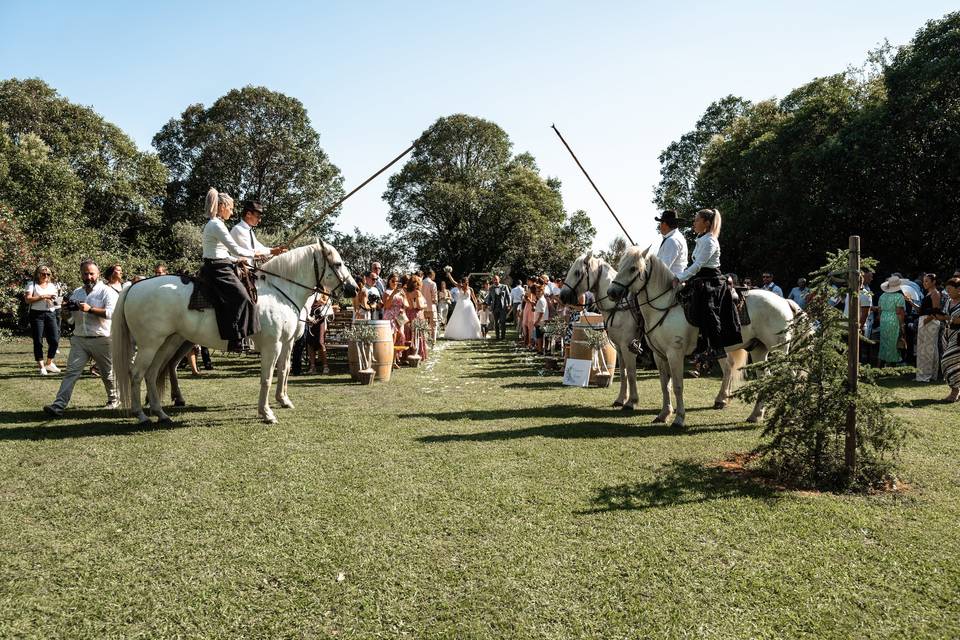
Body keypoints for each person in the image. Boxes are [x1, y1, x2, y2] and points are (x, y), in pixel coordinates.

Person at [200, 188, 281, 352]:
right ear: (222, 206)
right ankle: (235, 339)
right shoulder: (217, 225)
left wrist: (238, 259)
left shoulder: (217, 224)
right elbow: (236, 249)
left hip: (221, 263)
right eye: (230, 207)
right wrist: (259, 254)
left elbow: (223, 253)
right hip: (219, 268)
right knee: (243, 298)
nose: (232, 211)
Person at [42, 260, 118, 417]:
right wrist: (65, 312)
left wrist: (91, 310)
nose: (88, 276)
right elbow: (71, 320)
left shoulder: (106, 291)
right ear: (81, 274)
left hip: (102, 339)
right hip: (80, 339)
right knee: (71, 373)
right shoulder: (77, 292)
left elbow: (113, 314)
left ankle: (114, 400)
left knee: (108, 373)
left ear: (98, 274)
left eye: (92, 273)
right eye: (85, 273)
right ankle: (58, 406)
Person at [674, 208, 740, 360]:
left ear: (707, 223)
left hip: (712, 280)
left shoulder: (710, 240)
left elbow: (698, 265)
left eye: (697, 220)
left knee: (708, 307)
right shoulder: (701, 238)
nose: (694, 223)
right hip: (700, 279)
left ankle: (716, 346)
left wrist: (680, 278)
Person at [25, 265, 61, 375]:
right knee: (38, 341)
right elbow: (27, 300)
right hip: (36, 314)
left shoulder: (52, 286)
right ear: (37, 274)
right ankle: (41, 367)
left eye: (48, 274)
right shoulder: (32, 285)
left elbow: (55, 300)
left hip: (50, 313)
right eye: (43, 273)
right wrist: (43, 296)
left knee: (55, 340)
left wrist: (56, 302)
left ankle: (49, 363)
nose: (45, 276)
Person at [932, 277, 960, 402]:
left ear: (958, 289)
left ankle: (954, 391)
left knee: (946, 361)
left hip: (958, 335)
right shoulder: (949, 301)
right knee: (955, 364)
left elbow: (955, 319)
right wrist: (939, 316)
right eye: (947, 290)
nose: (948, 292)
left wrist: (950, 319)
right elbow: (946, 317)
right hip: (947, 333)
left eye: (950, 289)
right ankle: (956, 391)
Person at [230, 200, 276, 266]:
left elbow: (259, 248)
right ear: (248, 214)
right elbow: (252, 252)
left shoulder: (249, 231)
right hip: (240, 271)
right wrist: (272, 251)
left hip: (249, 270)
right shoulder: (238, 230)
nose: (259, 220)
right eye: (258, 217)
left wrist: (276, 250)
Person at [916, 273, 943, 382]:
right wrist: (910, 302)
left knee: (929, 349)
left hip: (930, 323)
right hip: (924, 321)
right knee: (923, 349)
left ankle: (927, 375)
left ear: (933, 282)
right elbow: (922, 310)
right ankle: (925, 375)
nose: (924, 283)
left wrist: (926, 320)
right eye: (924, 281)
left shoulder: (935, 293)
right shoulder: (928, 293)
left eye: (927, 281)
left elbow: (936, 310)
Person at [878, 275, 907, 366]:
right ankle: (892, 365)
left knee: (884, 342)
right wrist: (902, 325)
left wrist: (881, 319)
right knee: (893, 343)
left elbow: (879, 310)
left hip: (884, 319)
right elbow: (899, 312)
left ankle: (882, 363)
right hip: (894, 319)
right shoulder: (899, 297)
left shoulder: (882, 296)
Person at [444, 276, 483, 340]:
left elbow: (474, 298)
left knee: (470, 319)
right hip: (460, 306)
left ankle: (472, 333)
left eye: (467, 282)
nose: (466, 283)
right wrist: (449, 274)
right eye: (465, 282)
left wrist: (476, 305)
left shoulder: (470, 289)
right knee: (460, 319)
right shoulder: (460, 287)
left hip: (469, 306)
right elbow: (453, 281)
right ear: (463, 282)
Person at [306, 292, 334, 374]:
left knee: (320, 342)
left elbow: (328, 303)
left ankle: (325, 366)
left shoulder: (323, 290)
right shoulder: (310, 290)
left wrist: (320, 300)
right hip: (310, 317)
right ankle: (312, 367)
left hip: (320, 317)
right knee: (310, 343)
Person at [655, 209, 688, 276]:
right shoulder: (676, 237)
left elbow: (663, 268)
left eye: (660, 223)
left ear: (664, 224)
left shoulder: (672, 240)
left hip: (669, 282)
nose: (660, 226)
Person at [403, 275, 428, 360]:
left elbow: (409, 306)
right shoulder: (417, 292)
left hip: (409, 314)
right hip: (417, 314)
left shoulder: (407, 293)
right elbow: (419, 305)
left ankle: (408, 355)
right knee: (418, 335)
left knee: (409, 335)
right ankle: (418, 354)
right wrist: (426, 305)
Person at [486, 274, 511, 340]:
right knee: (496, 323)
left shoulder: (504, 287)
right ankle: (497, 336)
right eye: (494, 280)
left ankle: (503, 337)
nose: (495, 281)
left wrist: (509, 304)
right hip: (495, 307)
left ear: (499, 280)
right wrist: (488, 305)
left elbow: (508, 296)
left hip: (502, 307)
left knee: (502, 322)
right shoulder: (491, 288)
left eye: (496, 279)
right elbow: (489, 298)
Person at [532, 283, 550, 353]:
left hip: (540, 322)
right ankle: (541, 349)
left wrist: (537, 321)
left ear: (542, 292)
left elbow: (542, 313)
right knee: (540, 336)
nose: (537, 293)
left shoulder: (541, 300)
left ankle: (540, 350)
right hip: (541, 321)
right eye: (536, 291)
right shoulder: (541, 300)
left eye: (539, 291)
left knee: (539, 336)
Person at [422, 268, 438, 341]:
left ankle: (425, 342)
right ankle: (433, 343)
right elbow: (434, 297)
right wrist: (436, 301)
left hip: (423, 307)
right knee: (433, 325)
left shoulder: (421, 282)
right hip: (431, 307)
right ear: (431, 274)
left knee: (424, 325)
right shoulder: (433, 283)